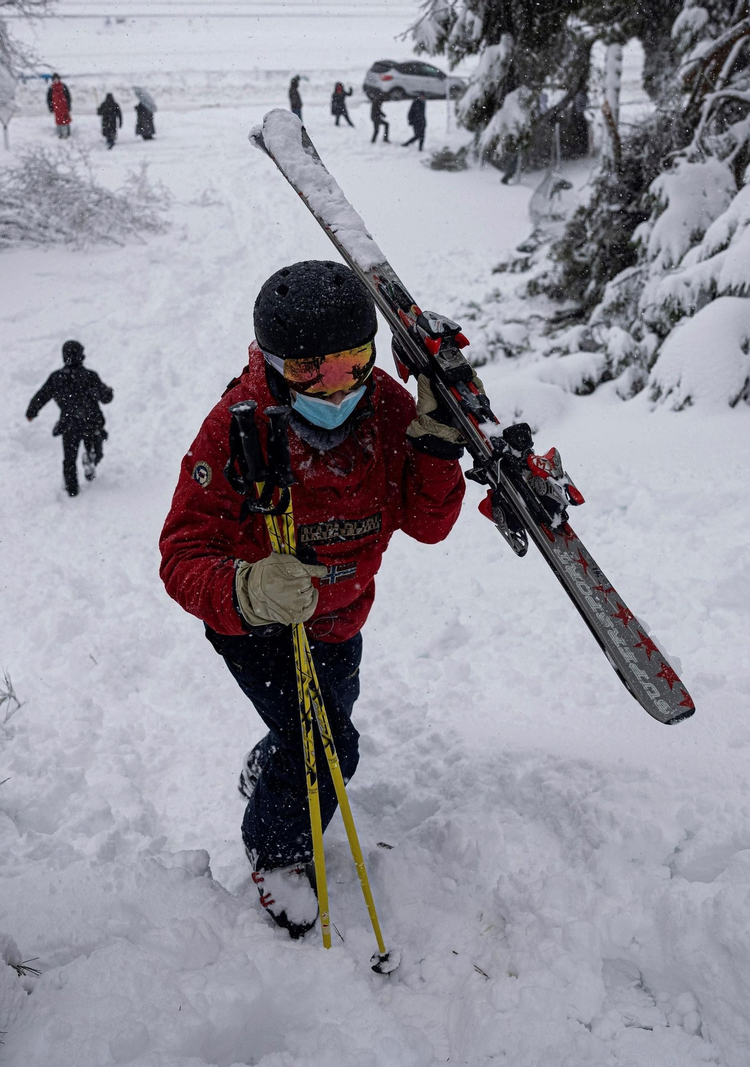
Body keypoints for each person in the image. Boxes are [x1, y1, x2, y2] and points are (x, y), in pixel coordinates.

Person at [158, 262, 470, 938]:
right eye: (308, 371)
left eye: (352, 363)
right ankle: (277, 854)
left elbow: (427, 523)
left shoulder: (385, 409)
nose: (336, 387)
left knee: (320, 722)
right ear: (273, 363)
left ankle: (272, 761)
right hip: (254, 626)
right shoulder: (236, 426)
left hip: (340, 618)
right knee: (328, 747)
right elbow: (181, 552)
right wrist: (248, 587)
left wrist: (436, 448)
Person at [26, 340, 114, 498]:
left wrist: (32, 411)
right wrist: (107, 392)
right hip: (91, 422)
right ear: (81, 356)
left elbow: (42, 395)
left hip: (69, 423)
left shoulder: (56, 378)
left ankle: (72, 489)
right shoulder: (90, 376)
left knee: (69, 459)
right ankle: (91, 459)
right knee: (96, 450)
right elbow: (106, 398)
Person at [46, 73, 73, 139]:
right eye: (54, 79)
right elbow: (49, 99)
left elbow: (68, 97)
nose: (56, 80)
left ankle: (67, 133)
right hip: (56, 108)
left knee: (66, 120)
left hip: (64, 107)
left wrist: (69, 106)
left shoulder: (63, 86)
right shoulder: (51, 88)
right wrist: (50, 107)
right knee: (59, 121)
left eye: (57, 79)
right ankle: (60, 134)